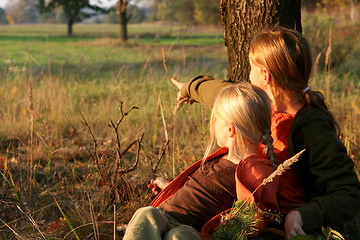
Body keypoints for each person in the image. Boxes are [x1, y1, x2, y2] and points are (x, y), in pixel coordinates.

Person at [170, 26, 360, 240]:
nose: (247, 74)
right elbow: (221, 92)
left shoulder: (311, 126)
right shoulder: (258, 104)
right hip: (248, 215)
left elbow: (349, 194)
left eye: (250, 67)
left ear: (264, 75)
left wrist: (301, 216)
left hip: (284, 229)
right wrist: (190, 87)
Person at [123, 83, 280, 240]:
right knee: (146, 213)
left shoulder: (255, 170)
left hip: (194, 231)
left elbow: (260, 216)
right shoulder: (220, 157)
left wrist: (233, 224)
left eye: (216, 119)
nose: (212, 124)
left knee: (179, 236)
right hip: (164, 215)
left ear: (230, 129)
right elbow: (200, 190)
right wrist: (170, 187)